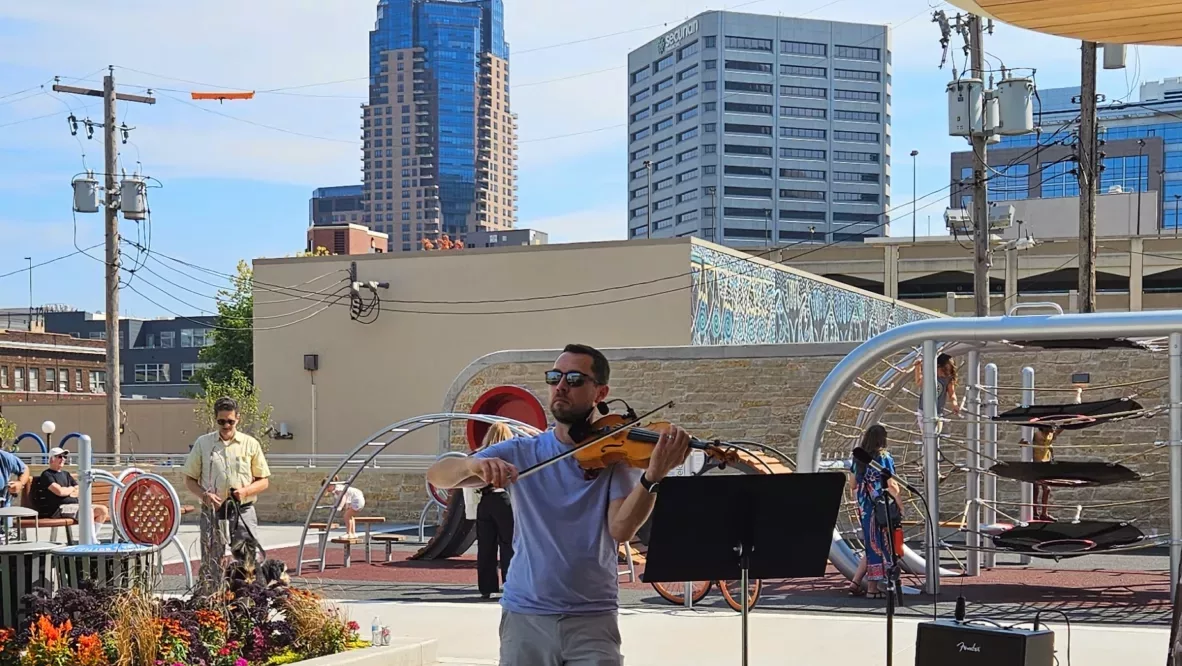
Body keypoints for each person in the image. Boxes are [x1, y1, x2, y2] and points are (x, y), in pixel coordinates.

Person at [427, 343, 691, 666]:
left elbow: (621, 528)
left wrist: (653, 476)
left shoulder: (616, 458)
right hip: (526, 616)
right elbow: (438, 474)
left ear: (601, 392)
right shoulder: (523, 451)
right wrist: (472, 467)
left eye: (575, 379)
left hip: (592, 620)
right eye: (555, 377)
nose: (561, 386)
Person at [182, 396, 272, 594]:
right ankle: (209, 601)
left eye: (230, 421)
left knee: (247, 561)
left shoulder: (250, 444)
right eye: (221, 421)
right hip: (212, 512)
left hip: (242, 512)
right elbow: (189, 479)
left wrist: (245, 491)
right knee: (211, 561)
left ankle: (247, 600)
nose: (226, 425)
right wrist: (204, 495)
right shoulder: (203, 444)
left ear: (237, 418)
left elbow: (264, 480)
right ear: (216, 420)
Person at [848, 424, 904, 599]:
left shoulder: (858, 458)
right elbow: (892, 484)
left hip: (865, 506)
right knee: (880, 545)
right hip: (881, 507)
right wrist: (900, 504)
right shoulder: (884, 457)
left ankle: (856, 582)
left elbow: (852, 484)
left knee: (871, 543)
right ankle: (872, 588)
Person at [463, 421, 517, 600]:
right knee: (508, 543)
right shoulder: (510, 454)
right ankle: (511, 583)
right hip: (503, 499)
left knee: (486, 545)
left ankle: (486, 587)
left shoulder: (481, 455)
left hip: (485, 501)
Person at [32, 447, 110, 526]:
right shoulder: (47, 475)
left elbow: (78, 489)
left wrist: (68, 491)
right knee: (88, 511)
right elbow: (59, 492)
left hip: (75, 506)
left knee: (103, 510)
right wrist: (71, 489)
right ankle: (89, 538)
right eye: (60, 456)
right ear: (52, 459)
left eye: (64, 457)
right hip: (59, 509)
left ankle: (92, 537)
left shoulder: (66, 474)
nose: (63, 459)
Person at [914, 352, 962, 436]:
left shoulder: (948, 379)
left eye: (948, 371)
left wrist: (955, 404)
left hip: (938, 412)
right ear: (937, 366)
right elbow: (919, 382)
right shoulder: (930, 375)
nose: (945, 374)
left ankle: (933, 447)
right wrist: (918, 367)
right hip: (923, 411)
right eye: (944, 370)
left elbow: (952, 394)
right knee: (926, 435)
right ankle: (927, 448)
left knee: (935, 435)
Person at [1027, 425, 1059, 521]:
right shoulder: (1036, 434)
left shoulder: (1050, 435)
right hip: (1036, 464)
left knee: (1046, 488)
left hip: (1045, 464)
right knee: (1036, 489)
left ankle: (1044, 513)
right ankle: (1035, 512)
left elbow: (1050, 446)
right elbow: (1025, 443)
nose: (1053, 429)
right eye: (1051, 427)